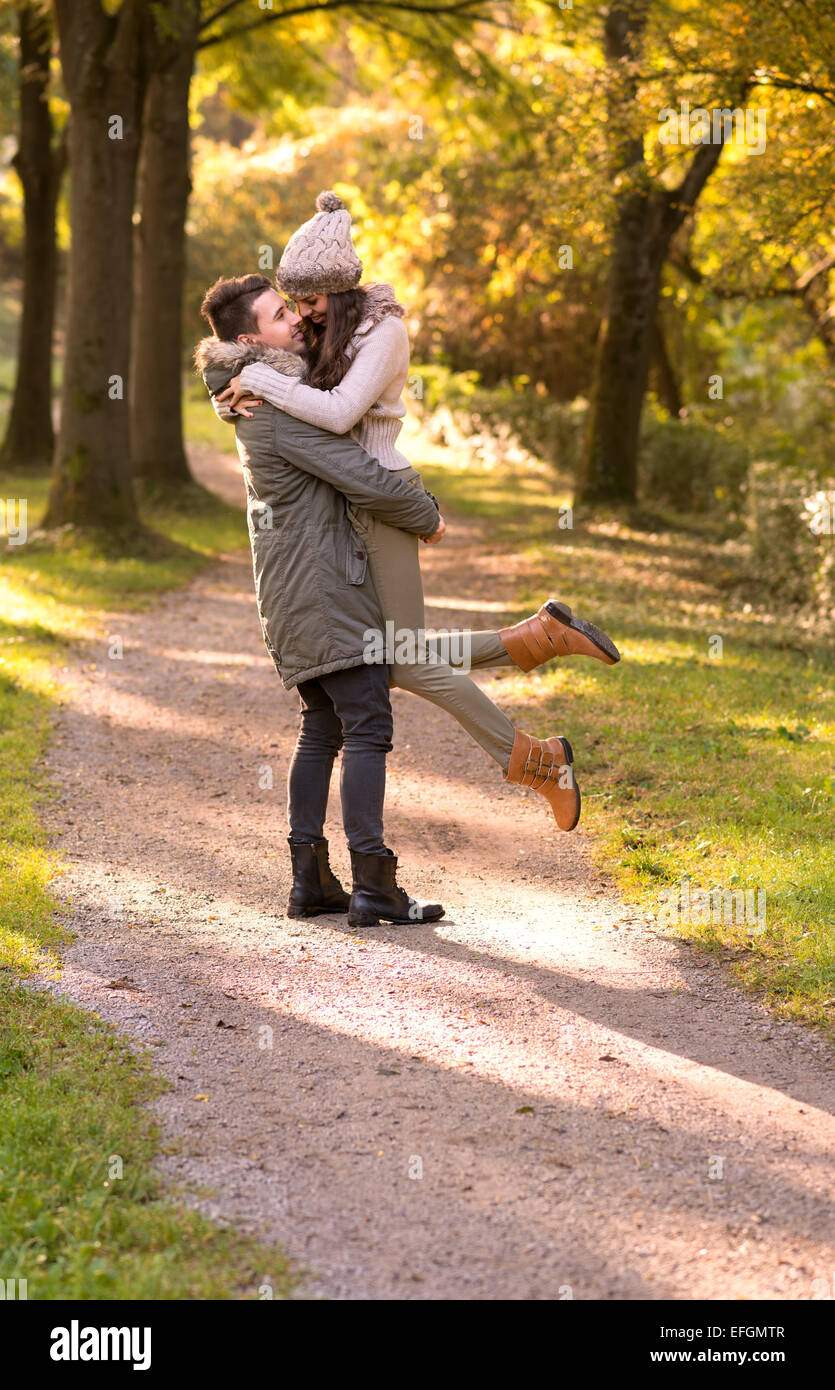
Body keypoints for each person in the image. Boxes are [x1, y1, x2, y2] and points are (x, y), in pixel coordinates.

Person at [212, 191, 623, 831]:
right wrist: (231, 389)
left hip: (381, 495)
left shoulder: (384, 332)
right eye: (291, 303)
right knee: (395, 649)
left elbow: (339, 413)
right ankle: (538, 639)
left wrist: (256, 383)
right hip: (356, 505)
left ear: (338, 287)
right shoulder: (332, 327)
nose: (301, 314)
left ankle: (537, 761)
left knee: (399, 658)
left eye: (308, 299)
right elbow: (278, 380)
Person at [196, 273, 445, 929]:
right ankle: (373, 884)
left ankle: (311, 883)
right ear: (251, 339)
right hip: (322, 585)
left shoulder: (257, 389)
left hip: (296, 585)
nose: (296, 321)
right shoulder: (273, 406)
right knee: (367, 724)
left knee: (324, 725)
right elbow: (360, 474)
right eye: (280, 315)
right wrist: (425, 514)